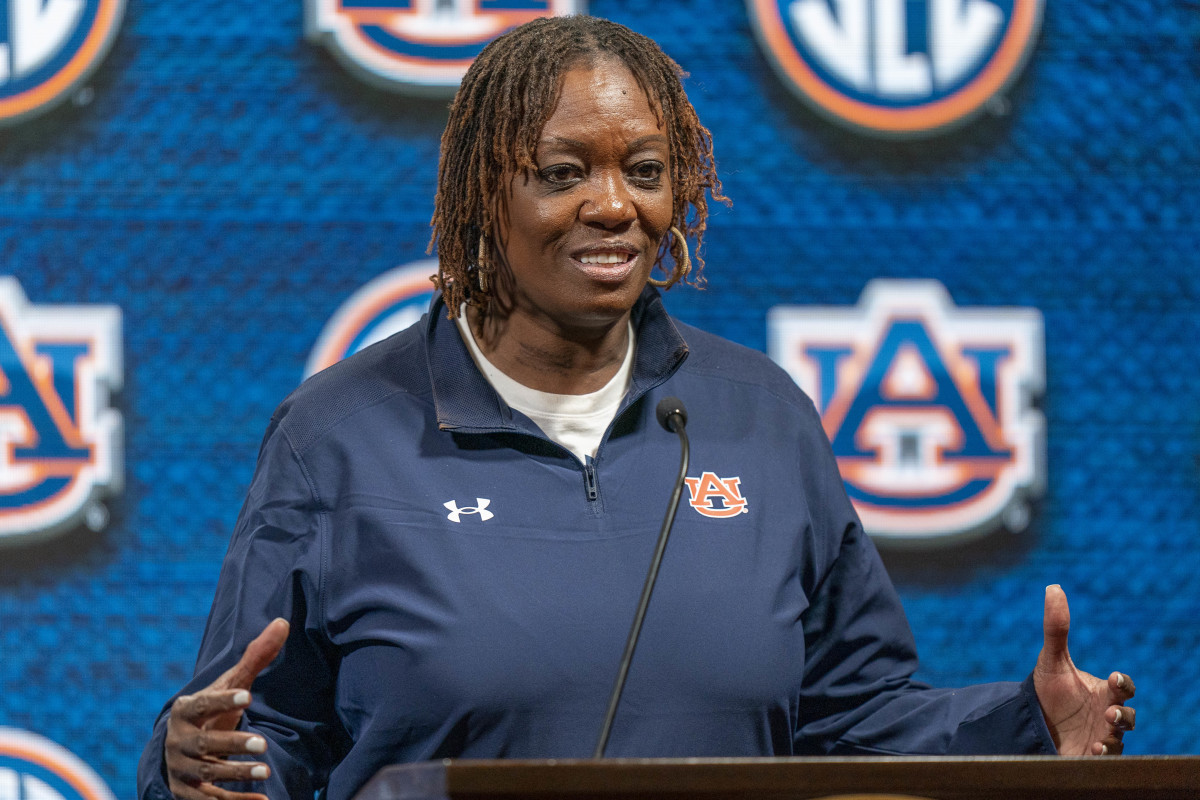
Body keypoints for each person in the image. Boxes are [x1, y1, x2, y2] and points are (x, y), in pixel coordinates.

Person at [138, 15, 1136, 800]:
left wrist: (1027, 723)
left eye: (645, 171)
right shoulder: (336, 438)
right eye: (563, 172)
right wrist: (196, 768)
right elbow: (255, 734)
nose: (614, 205)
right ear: (485, 192)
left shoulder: (762, 417)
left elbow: (853, 717)